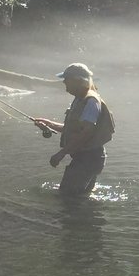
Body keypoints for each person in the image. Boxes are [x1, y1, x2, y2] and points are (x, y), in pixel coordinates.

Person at [32, 63, 115, 197]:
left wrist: (61, 153)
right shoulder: (80, 99)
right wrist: (49, 124)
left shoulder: (91, 101)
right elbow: (74, 129)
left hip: (88, 159)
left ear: (78, 80)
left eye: (67, 79)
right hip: (90, 157)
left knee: (67, 197)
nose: (64, 82)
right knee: (80, 198)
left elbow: (87, 132)